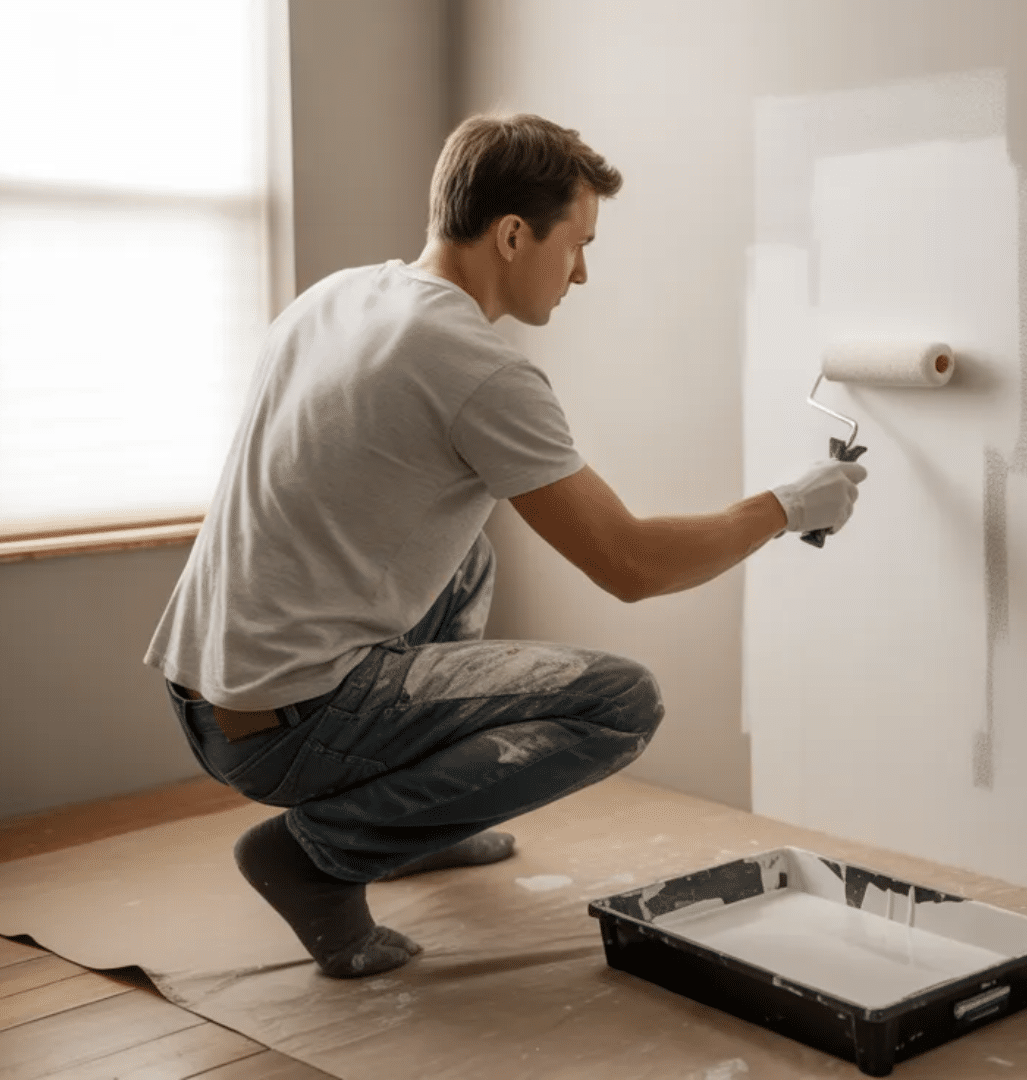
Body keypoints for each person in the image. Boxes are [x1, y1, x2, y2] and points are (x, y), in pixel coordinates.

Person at [145, 114, 867, 979]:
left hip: (204, 690)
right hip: (286, 724)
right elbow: (631, 565)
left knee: (468, 553)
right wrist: (787, 507)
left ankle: (403, 835)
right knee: (619, 704)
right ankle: (317, 856)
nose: (584, 272)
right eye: (578, 245)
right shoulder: (474, 366)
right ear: (514, 234)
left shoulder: (339, 295)